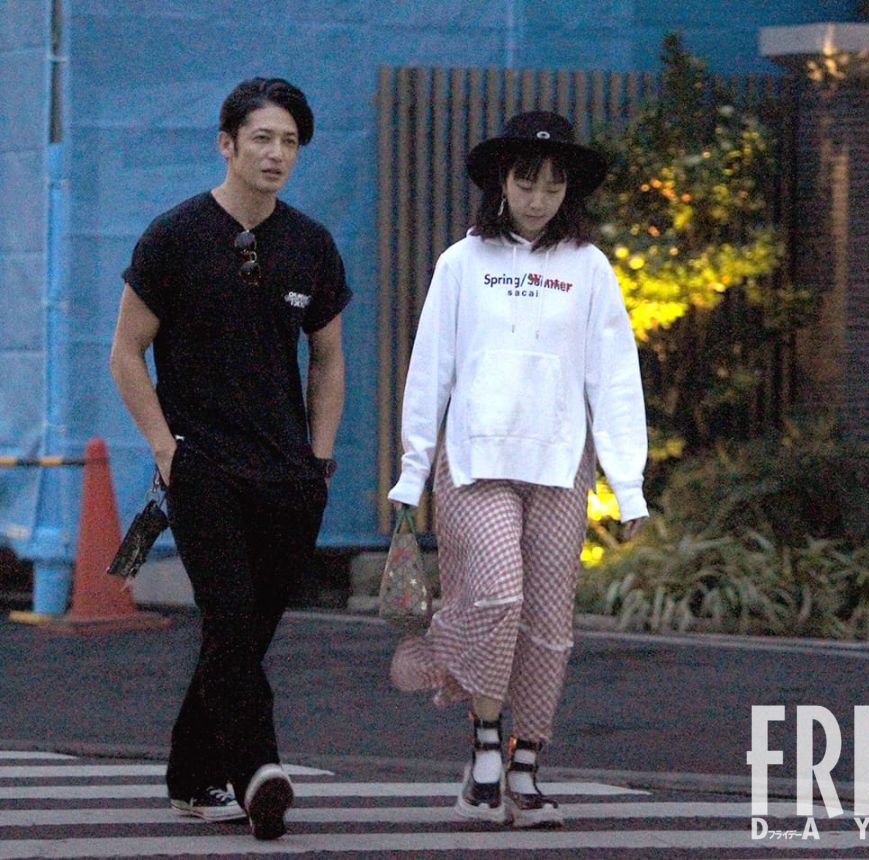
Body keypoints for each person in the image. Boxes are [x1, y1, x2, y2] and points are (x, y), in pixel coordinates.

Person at [387, 111, 649, 828]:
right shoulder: (462, 262)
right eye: (526, 182)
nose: (538, 198)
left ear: (569, 192)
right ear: (501, 182)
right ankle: (482, 739)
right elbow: (431, 369)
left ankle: (522, 767)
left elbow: (614, 378)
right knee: (499, 597)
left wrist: (628, 483)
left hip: (561, 464)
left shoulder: (589, 269)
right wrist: (413, 471)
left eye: (553, 185)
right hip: (475, 460)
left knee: (548, 622)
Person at [110, 77, 351, 840]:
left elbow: (328, 359)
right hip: (202, 465)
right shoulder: (175, 237)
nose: (276, 153)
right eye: (262, 138)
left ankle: (191, 776)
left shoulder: (310, 245)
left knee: (240, 635)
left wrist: (318, 460)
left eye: (290, 142)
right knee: (230, 617)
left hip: (288, 474)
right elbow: (126, 352)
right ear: (227, 144)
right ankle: (258, 771)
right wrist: (165, 449)